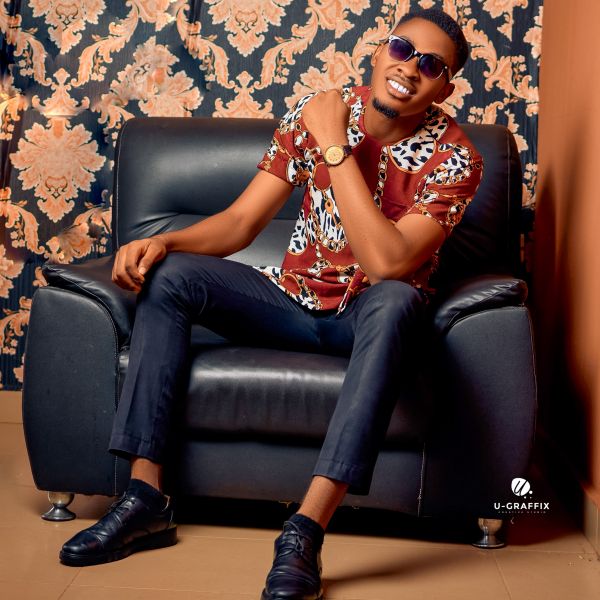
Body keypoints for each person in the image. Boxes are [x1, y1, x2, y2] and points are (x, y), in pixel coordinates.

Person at [59, 8, 482, 600]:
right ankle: (145, 499)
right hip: (291, 300)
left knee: (396, 300)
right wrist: (164, 242)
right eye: (401, 48)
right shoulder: (317, 110)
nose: (410, 68)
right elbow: (240, 223)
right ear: (378, 52)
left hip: (367, 318)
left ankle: (304, 531)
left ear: (445, 89)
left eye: (431, 65)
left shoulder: (456, 157)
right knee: (172, 276)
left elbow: (388, 263)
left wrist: (334, 147)